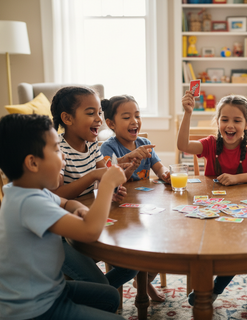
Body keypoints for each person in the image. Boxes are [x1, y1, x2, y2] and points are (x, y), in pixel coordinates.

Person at [0, 113, 127, 320]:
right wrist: (106, 184)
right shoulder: (28, 202)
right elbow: (90, 231)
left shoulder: (29, 190)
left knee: (109, 296)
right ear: (33, 163)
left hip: (50, 290)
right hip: (30, 309)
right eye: (56, 149)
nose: (63, 157)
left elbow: (67, 202)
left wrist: (79, 208)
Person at [50, 86, 144, 290]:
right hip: (62, 237)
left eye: (99, 112)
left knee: (133, 264)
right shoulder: (57, 150)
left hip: (88, 219)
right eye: (90, 113)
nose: (99, 118)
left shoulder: (93, 146)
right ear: (67, 118)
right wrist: (92, 176)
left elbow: (105, 178)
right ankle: (94, 294)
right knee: (102, 286)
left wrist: (113, 188)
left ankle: (96, 293)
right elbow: (54, 196)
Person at [178, 92, 247, 305]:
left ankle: (216, 287)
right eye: (224, 119)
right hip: (210, 211)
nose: (230, 125)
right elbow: (183, 146)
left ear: (246, 124)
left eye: (237, 120)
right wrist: (187, 114)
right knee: (201, 244)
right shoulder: (210, 143)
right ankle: (202, 276)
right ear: (217, 121)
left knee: (239, 249)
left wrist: (237, 179)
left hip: (241, 213)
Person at [100, 94, 169, 301]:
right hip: (119, 208)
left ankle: (144, 279)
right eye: (127, 116)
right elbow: (111, 177)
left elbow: (159, 167)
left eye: (137, 115)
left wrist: (166, 174)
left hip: (145, 207)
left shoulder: (144, 142)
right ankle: (142, 282)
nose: (134, 121)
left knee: (163, 241)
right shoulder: (108, 148)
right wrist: (130, 166)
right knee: (137, 246)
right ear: (111, 123)